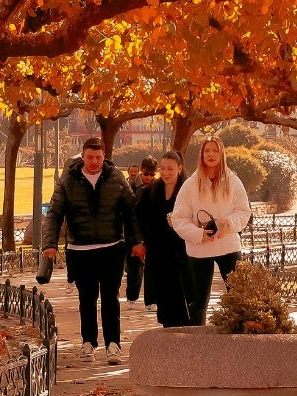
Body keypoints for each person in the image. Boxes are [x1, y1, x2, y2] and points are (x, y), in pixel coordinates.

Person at [41, 135, 137, 364]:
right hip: (80, 249)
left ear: (104, 157)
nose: (94, 161)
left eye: (98, 157)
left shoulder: (116, 177)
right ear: (82, 157)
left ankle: (113, 344)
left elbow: (132, 211)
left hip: (111, 246)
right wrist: (49, 244)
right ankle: (88, 343)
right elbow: (54, 213)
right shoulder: (68, 180)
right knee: (87, 298)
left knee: (110, 297)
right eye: (90, 157)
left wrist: (138, 242)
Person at [171, 137, 251, 324]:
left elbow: (244, 211)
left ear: (221, 153)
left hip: (228, 245)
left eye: (215, 150)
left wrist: (227, 223)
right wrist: (198, 234)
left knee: (238, 297)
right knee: (199, 300)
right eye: (207, 151)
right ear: (201, 155)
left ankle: (240, 338)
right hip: (199, 249)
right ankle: (197, 344)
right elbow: (179, 218)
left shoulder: (233, 181)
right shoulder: (190, 184)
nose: (211, 155)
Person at [135, 151, 194, 328]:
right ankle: (168, 328)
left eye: (170, 168)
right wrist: (141, 242)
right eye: (163, 168)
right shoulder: (150, 192)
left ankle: (187, 327)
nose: (166, 172)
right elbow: (140, 219)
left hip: (183, 250)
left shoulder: (188, 190)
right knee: (164, 293)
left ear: (179, 168)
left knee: (184, 292)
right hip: (157, 251)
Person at [125, 157, 158, 306]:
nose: (148, 177)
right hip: (133, 230)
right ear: (141, 170)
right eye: (146, 174)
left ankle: (151, 300)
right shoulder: (131, 186)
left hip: (151, 230)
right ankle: (132, 297)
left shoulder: (158, 187)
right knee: (134, 267)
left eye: (152, 174)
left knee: (151, 267)